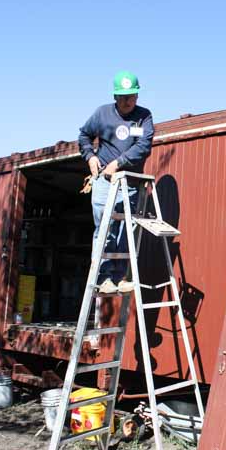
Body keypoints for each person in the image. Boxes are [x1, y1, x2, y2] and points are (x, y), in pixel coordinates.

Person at [78, 70, 154, 294]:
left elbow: (144, 146)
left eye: (131, 96)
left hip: (130, 183)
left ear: (137, 96)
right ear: (115, 96)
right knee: (105, 227)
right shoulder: (102, 114)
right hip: (104, 182)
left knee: (126, 230)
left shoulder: (144, 116)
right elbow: (83, 136)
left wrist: (119, 163)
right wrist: (90, 156)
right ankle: (103, 278)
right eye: (123, 96)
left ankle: (119, 276)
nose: (127, 101)